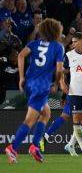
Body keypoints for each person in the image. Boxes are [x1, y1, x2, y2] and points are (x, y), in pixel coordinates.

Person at [5, 18, 64, 164]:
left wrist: (21, 78)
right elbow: (59, 70)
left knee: (46, 113)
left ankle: (35, 146)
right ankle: (13, 148)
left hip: (30, 84)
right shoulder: (58, 47)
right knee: (30, 120)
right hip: (41, 87)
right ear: (56, 31)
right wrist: (56, 83)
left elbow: (20, 55)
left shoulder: (35, 43)